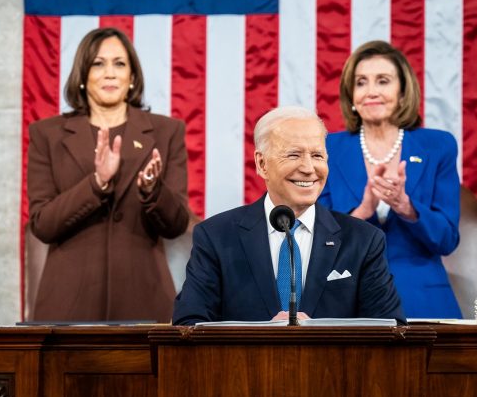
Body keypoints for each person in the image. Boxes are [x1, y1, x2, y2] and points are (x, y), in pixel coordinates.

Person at [172, 106, 405, 325]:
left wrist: (321, 333)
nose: (308, 168)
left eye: (317, 156)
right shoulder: (217, 237)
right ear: (262, 164)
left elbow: (390, 329)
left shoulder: (364, 240)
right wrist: (261, 335)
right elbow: (190, 323)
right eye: (294, 155)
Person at [27, 27, 189, 322]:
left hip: (145, 302)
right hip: (68, 304)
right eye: (98, 63)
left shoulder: (167, 132)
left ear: (133, 77)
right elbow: (43, 225)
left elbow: (176, 224)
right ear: (82, 75)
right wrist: (97, 183)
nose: (110, 73)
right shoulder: (46, 134)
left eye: (119, 63)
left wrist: (153, 190)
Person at [318, 40, 461, 319]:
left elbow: (447, 239)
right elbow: (319, 243)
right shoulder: (328, 149)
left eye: (383, 81)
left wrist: (406, 207)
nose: (371, 91)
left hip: (422, 297)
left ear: (403, 92)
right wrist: (363, 211)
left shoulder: (437, 146)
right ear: (351, 96)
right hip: (348, 297)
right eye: (361, 82)